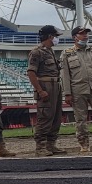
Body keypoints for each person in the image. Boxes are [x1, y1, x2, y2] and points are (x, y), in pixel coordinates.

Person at [27, 25, 66, 157]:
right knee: (45, 117)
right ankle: (41, 146)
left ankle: (51, 144)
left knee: (56, 117)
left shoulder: (50, 51)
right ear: (50, 36)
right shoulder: (37, 52)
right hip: (46, 85)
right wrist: (40, 90)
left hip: (56, 85)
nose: (56, 39)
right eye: (56, 36)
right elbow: (31, 73)